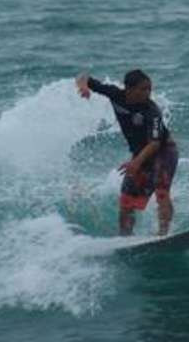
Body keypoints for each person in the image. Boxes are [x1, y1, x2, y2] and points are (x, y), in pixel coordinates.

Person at [76, 69, 178, 236]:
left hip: (164, 151)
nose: (147, 93)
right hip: (140, 154)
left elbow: (154, 143)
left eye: (149, 89)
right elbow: (83, 76)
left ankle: (163, 234)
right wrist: (84, 87)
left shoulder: (152, 111)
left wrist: (136, 162)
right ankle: (125, 236)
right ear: (128, 89)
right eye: (143, 89)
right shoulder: (115, 94)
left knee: (162, 191)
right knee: (126, 201)